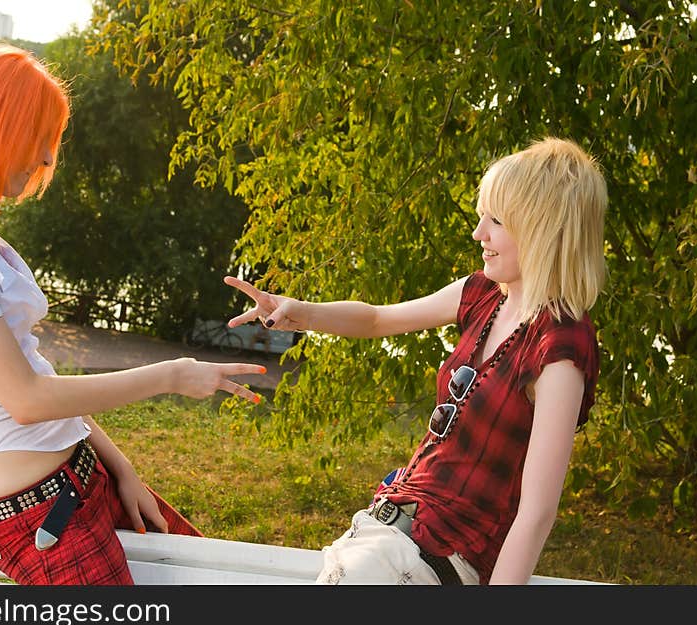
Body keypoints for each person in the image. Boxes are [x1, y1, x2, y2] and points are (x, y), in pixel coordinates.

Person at [0, 44, 265, 585]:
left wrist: (119, 467)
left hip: (80, 480)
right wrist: (172, 375)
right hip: (38, 515)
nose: (46, 158)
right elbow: (25, 400)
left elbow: (35, 372)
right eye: (39, 137)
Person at [225, 137, 606, 585]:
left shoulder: (560, 346)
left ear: (542, 228)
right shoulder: (483, 294)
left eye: (496, 221)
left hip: (442, 557)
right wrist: (300, 311)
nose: (478, 232)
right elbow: (376, 319)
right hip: (386, 531)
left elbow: (538, 513)